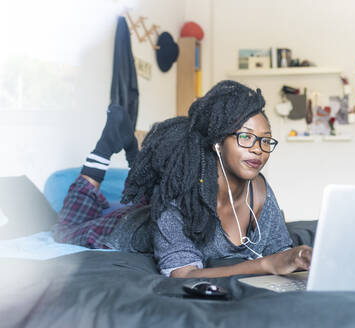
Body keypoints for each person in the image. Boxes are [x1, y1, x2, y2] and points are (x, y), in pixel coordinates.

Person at [53, 80, 312, 278]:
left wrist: (298, 257)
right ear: (218, 142)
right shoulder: (180, 196)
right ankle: (106, 146)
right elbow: (183, 274)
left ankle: (133, 148)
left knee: (137, 198)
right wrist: (266, 265)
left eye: (266, 140)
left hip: (151, 210)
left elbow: (282, 251)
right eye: (245, 137)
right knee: (66, 228)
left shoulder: (261, 191)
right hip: (123, 228)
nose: (258, 149)